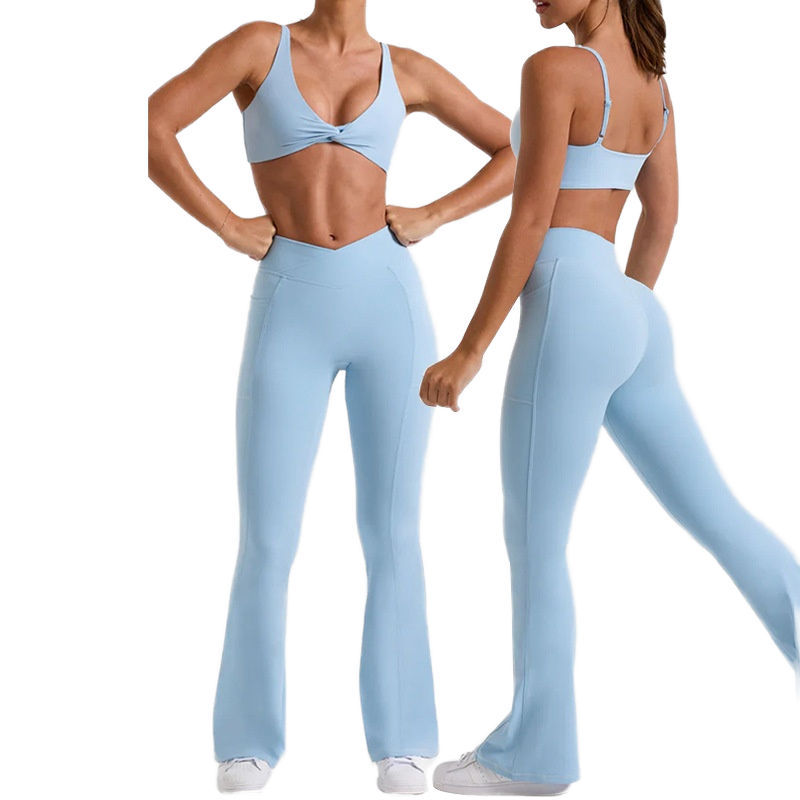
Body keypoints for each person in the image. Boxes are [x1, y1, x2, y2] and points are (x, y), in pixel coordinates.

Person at [420, 0, 800, 794]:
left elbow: (530, 217)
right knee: (723, 516)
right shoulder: (655, 87)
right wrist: (622, 314)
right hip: (632, 314)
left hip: (570, 295)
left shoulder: (555, 70)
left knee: (536, 541)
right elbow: (663, 213)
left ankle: (535, 759)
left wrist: (471, 348)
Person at [147, 1, 515, 793]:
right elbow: (152, 124)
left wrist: (435, 213)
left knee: (393, 532)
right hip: (291, 303)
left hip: (390, 302)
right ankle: (247, 741)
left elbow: (521, 148)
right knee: (268, 536)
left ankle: (404, 741)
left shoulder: (407, 68)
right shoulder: (259, 46)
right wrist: (224, 224)